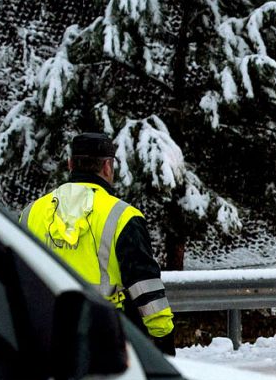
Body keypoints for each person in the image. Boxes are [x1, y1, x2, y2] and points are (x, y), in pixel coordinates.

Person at [22, 131, 176, 354]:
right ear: (107, 167)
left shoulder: (31, 213)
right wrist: (163, 336)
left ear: (70, 164)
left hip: (46, 333)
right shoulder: (122, 216)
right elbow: (144, 285)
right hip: (105, 335)